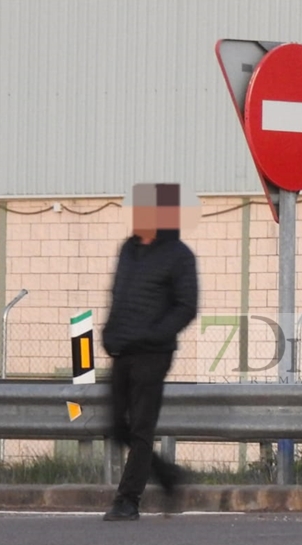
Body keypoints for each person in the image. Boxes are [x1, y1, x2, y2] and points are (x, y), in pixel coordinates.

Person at [101, 183, 199, 521]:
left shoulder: (179, 255)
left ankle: (128, 500)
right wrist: (109, 332)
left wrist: (154, 335)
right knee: (116, 426)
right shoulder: (128, 249)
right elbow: (118, 294)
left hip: (153, 353)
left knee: (141, 427)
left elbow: (187, 306)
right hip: (122, 348)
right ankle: (169, 477)